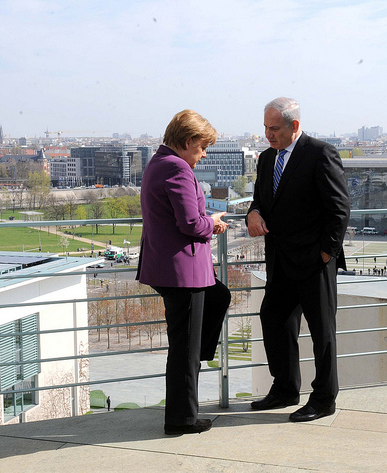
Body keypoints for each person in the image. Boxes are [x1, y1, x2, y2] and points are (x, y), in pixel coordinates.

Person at [247, 97, 350, 422]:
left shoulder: (320, 153)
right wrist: (252, 213)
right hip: (280, 262)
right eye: (265, 127)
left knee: (322, 333)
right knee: (273, 319)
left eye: (274, 128)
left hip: (314, 262)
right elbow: (260, 200)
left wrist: (325, 254)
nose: (267, 134)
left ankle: (323, 399)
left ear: (294, 125)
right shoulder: (266, 159)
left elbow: (339, 209)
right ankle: (286, 388)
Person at [136, 110, 231, 435]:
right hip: (183, 271)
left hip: (169, 267)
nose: (204, 154)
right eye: (203, 147)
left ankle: (198, 359)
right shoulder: (177, 168)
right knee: (183, 351)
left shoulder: (158, 163)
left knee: (217, 297)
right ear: (188, 141)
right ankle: (182, 419)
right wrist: (213, 224)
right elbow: (191, 223)